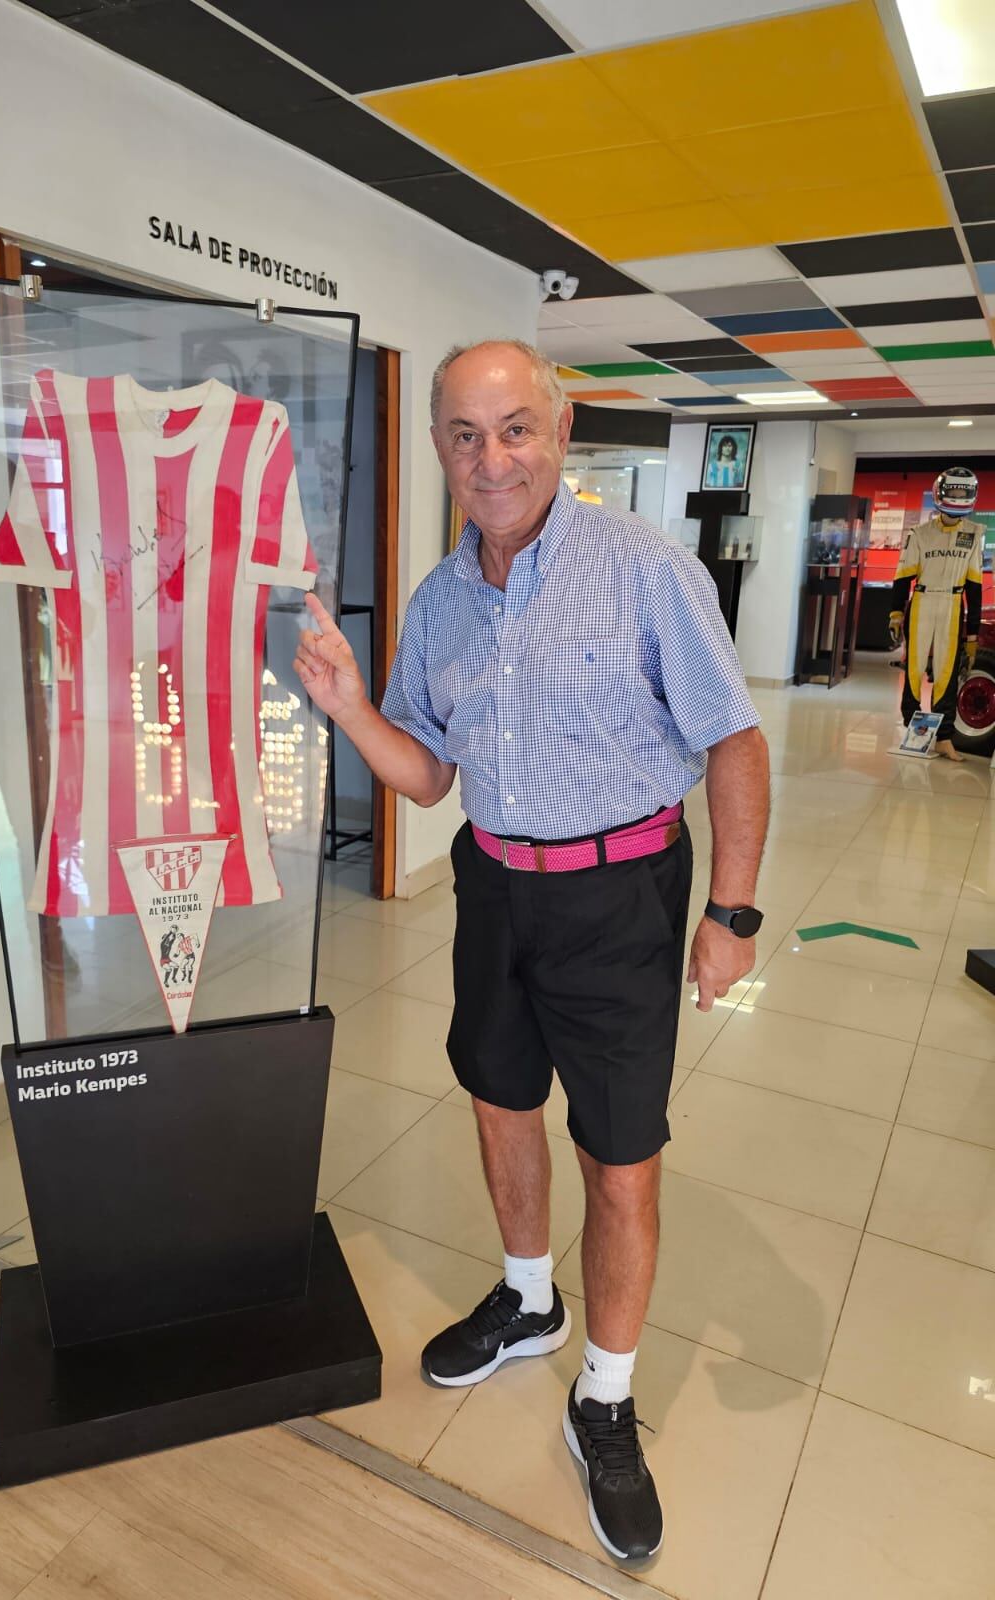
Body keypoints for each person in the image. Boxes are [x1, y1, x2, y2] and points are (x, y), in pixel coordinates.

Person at [294, 340, 769, 1562]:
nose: (490, 457)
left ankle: (605, 1394)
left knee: (621, 1156)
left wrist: (733, 911)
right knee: (499, 1098)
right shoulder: (441, 599)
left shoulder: (646, 571)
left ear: (559, 432)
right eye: (464, 433)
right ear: (442, 448)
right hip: (496, 883)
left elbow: (734, 741)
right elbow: (429, 770)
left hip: (622, 896)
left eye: (515, 429)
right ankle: (527, 1297)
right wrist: (351, 708)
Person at [890, 467, 985, 762]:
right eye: (953, 492)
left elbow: (974, 587)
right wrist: (895, 614)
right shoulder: (919, 533)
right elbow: (903, 578)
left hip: (953, 604)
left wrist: (971, 636)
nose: (957, 497)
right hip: (923, 600)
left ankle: (944, 738)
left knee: (946, 671)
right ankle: (913, 731)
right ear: (940, 492)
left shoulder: (974, 534)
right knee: (915, 670)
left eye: (962, 492)